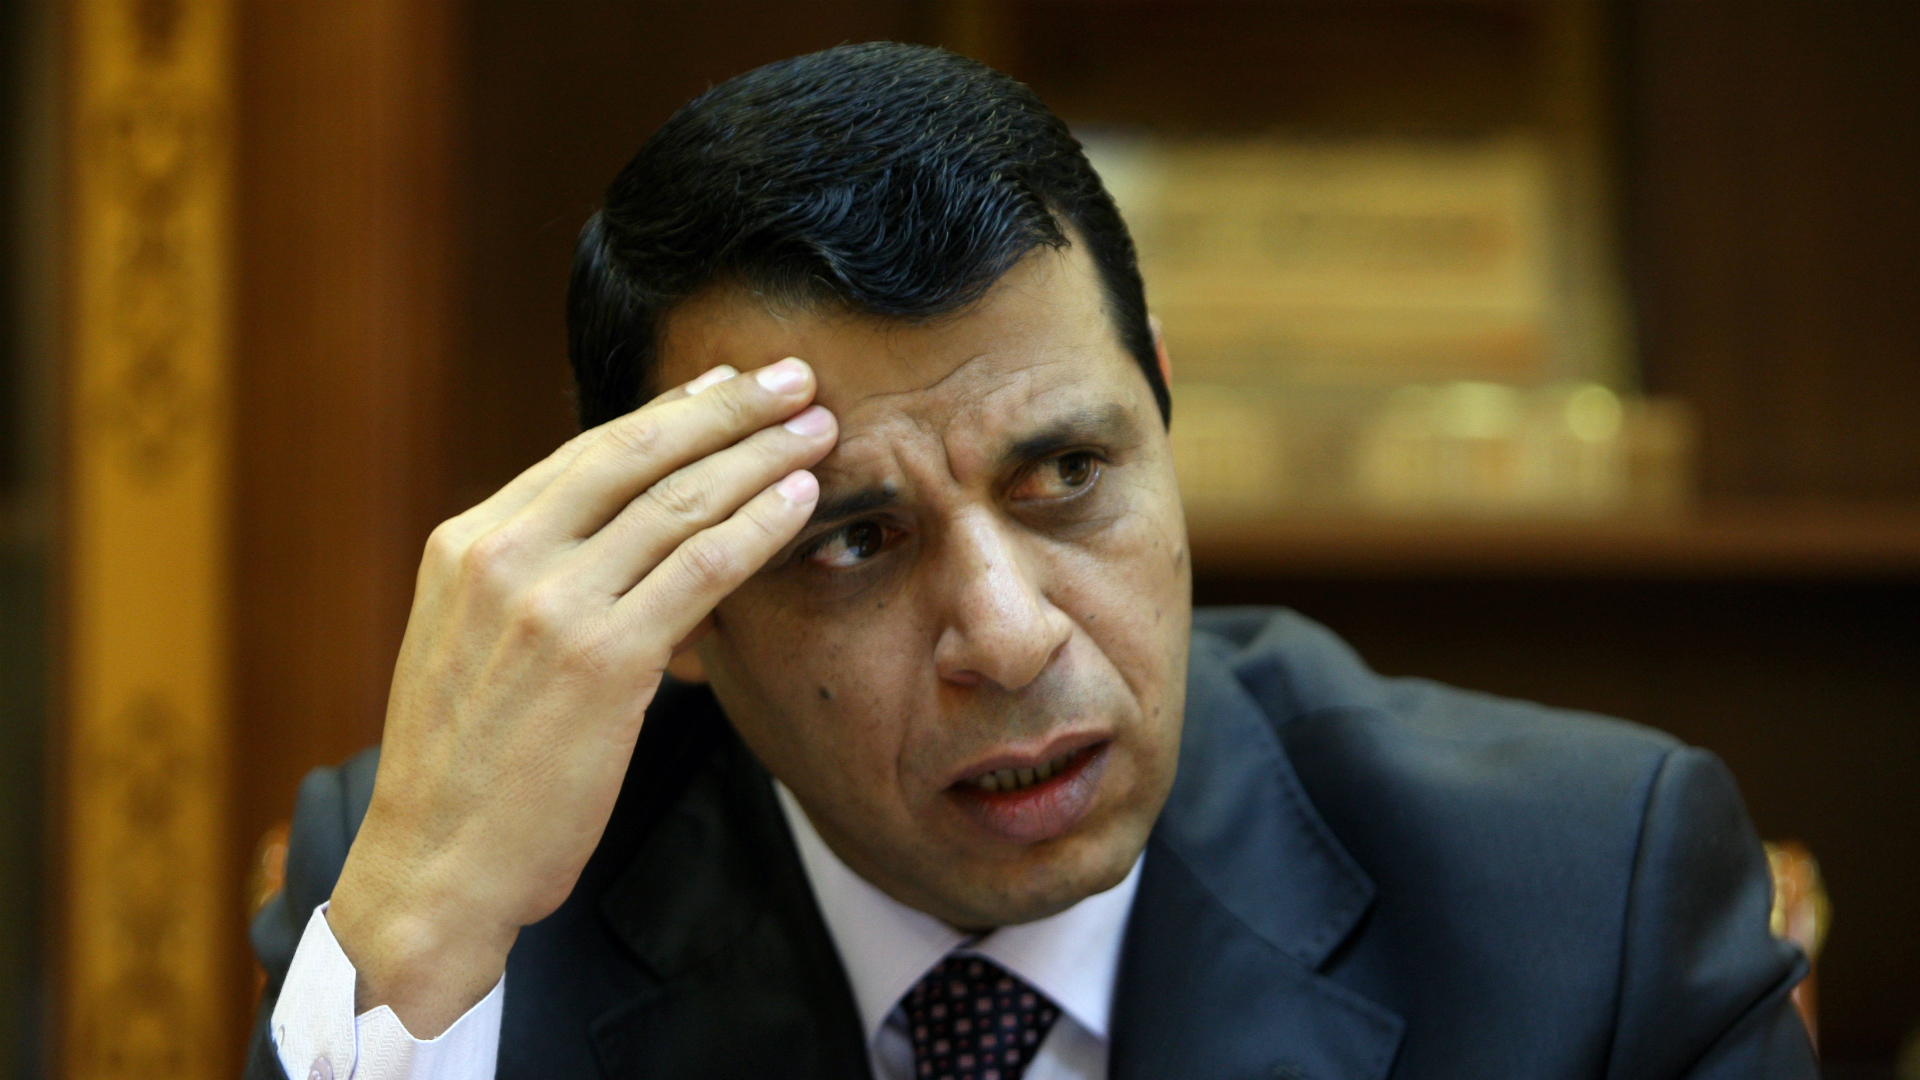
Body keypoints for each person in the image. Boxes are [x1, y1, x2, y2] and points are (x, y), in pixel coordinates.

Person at [245, 43, 1817, 1080]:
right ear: (682, 612)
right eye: (853, 540)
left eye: (1067, 476)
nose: (1006, 637)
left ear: (1164, 408)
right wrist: (424, 925)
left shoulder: (1582, 897)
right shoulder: (465, 908)